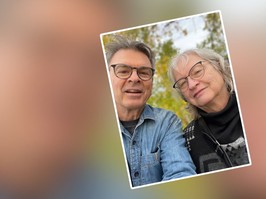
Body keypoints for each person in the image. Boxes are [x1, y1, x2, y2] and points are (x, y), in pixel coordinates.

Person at [105, 35, 196, 187]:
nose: (135, 78)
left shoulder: (167, 122)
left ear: (152, 81)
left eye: (144, 72)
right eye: (123, 71)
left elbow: (181, 175)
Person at [168, 48, 250, 173]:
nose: (191, 84)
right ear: (183, 97)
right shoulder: (185, 142)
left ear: (219, 66)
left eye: (197, 71)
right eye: (183, 83)